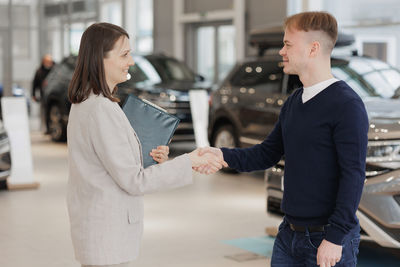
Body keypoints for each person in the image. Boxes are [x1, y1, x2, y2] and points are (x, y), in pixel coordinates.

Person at [198, 11, 369, 267]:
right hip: (289, 234)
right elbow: (267, 153)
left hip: (327, 238)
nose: (281, 51)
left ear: (313, 49)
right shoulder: (294, 102)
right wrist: (221, 154)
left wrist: (335, 238)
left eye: (288, 44)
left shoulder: (347, 105)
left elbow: (353, 175)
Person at [66, 22, 227, 267]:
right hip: (107, 236)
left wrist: (146, 156)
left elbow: (107, 163)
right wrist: (189, 161)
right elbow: (134, 180)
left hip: (100, 231)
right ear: (100, 59)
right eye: (124, 54)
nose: (131, 61)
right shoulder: (101, 109)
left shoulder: (89, 103)